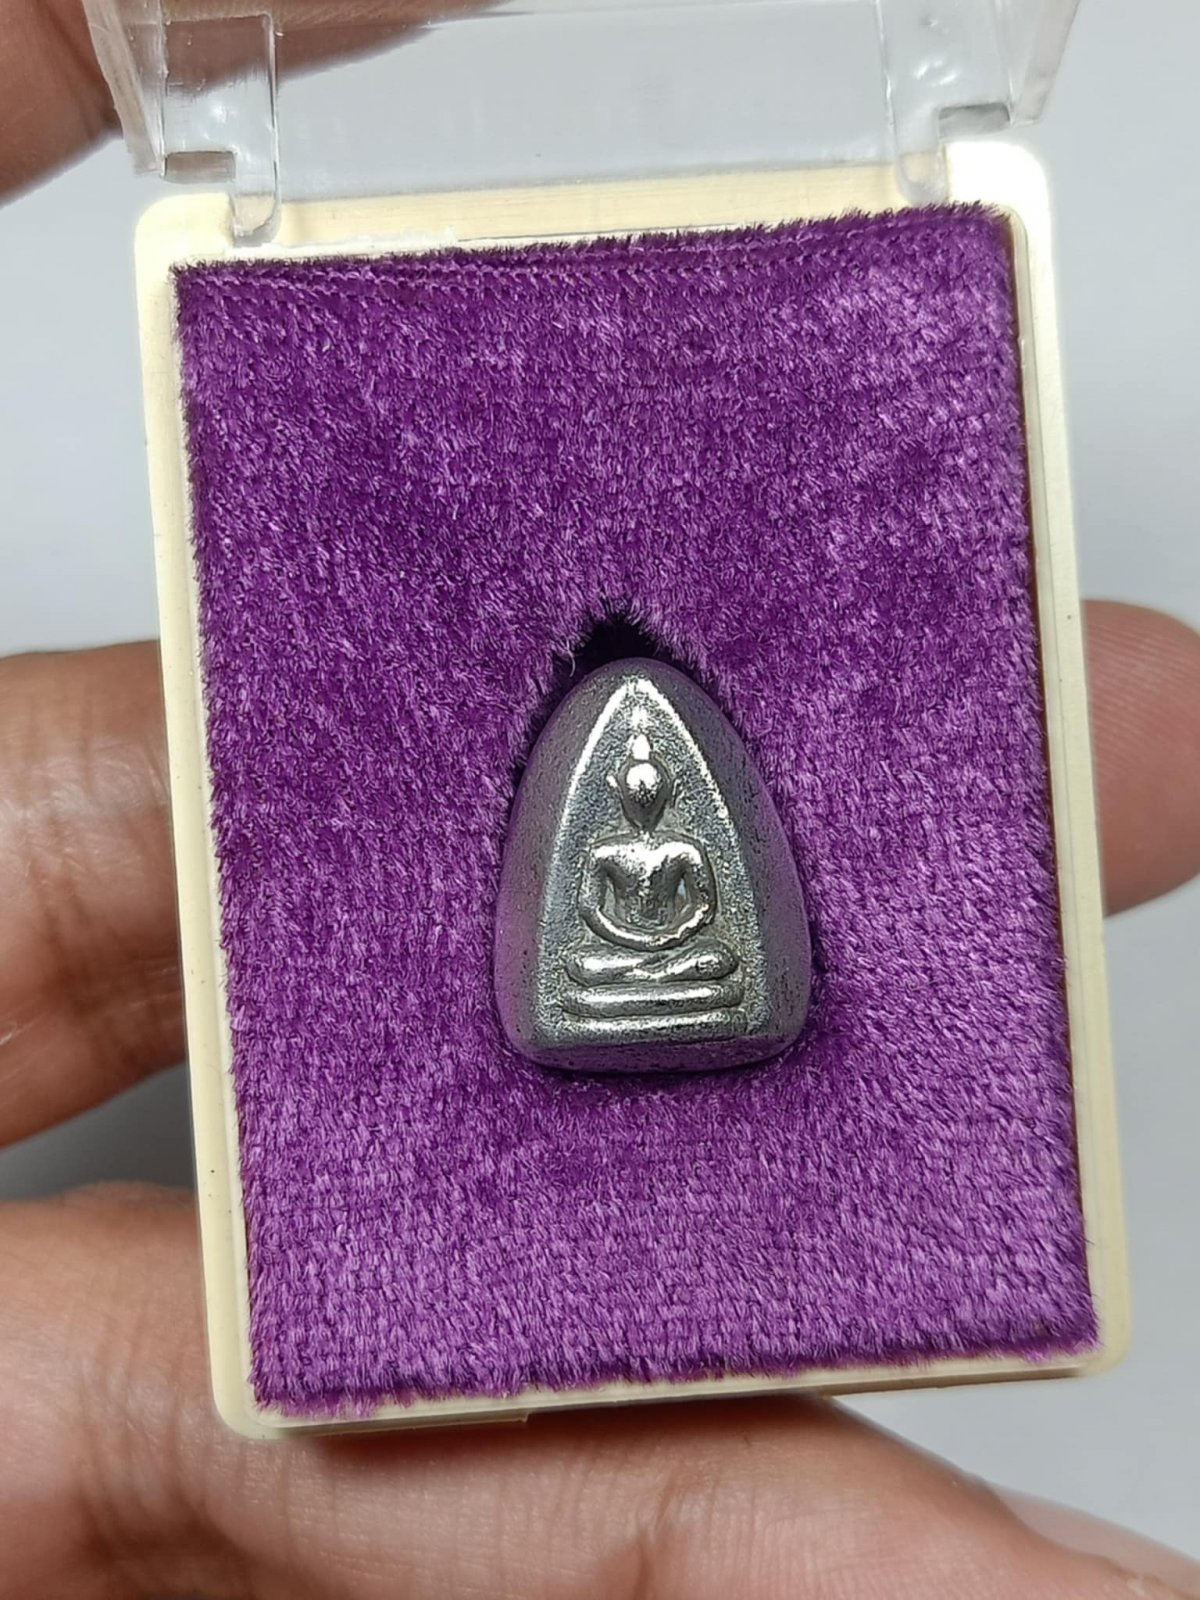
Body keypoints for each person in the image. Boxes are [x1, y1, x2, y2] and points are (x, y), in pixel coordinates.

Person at [1, 13, 1200, 1596]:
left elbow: (680, 889)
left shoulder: (660, 789)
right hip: (615, 975)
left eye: (648, 777)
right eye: (632, 777)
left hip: (681, 972)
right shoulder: (623, 794)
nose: (640, 781)